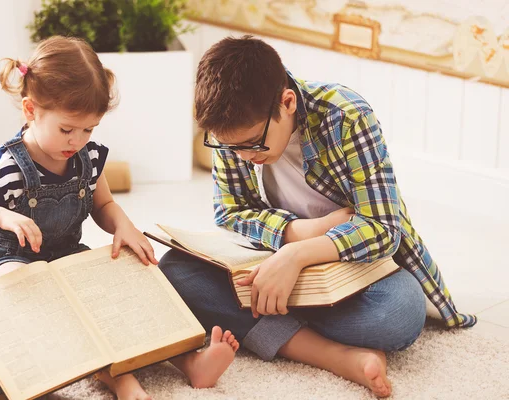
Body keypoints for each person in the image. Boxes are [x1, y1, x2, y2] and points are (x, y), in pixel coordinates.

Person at [159, 35, 477, 398]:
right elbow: (230, 211)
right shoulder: (235, 132)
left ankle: (270, 324)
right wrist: (300, 234)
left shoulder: (347, 115)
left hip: (351, 271)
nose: (243, 156)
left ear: (287, 102)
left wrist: (297, 256)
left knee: (399, 313)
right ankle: (335, 356)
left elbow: (383, 228)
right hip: (271, 261)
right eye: (229, 147)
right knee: (175, 269)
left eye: (251, 144)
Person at [0, 36, 239, 400]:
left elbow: (104, 205)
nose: (77, 140)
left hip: (65, 256)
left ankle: (189, 361)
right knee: (52, 304)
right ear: (31, 110)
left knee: (122, 293)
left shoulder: (87, 158)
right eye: (67, 129)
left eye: (89, 129)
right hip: (8, 261)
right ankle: (122, 382)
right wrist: (0, 214)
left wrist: (123, 226)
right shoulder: (8, 164)